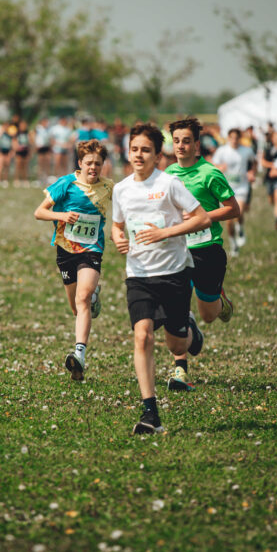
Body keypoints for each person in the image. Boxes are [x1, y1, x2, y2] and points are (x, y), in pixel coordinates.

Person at [111, 123, 211, 434]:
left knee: (176, 342)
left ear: (157, 156)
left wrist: (165, 233)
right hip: (139, 274)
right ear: (128, 152)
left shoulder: (169, 184)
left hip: (174, 272)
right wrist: (117, 238)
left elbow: (202, 218)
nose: (138, 155)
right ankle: (150, 412)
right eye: (134, 149)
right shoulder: (121, 189)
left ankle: (190, 331)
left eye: (146, 150)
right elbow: (117, 225)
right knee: (142, 336)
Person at [164, 117, 238, 391]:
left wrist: (202, 216)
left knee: (208, 315)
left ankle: (220, 301)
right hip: (177, 250)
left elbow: (233, 209)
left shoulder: (210, 173)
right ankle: (180, 370)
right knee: (176, 310)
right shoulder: (168, 174)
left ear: (197, 144)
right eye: (176, 141)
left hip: (207, 250)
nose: (180, 146)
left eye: (186, 141)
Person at [34, 139, 114, 380]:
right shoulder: (66, 183)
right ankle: (93, 297)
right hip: (65, 250)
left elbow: (126, 207)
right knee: (76, 308)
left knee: (82, 298)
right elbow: (39, 212)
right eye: (89, 163)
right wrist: (61, 215)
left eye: (98, 163)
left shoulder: (108, 187)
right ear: (80, 163)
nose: (93, 168)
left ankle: (79, 354)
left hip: (92, 250)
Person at [212, 127, 255, 254]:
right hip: (226, 189)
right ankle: (233, 243)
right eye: (232, 138)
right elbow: (213, 166)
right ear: (228, 138)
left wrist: (251, 172)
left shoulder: (247, 150)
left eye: (237, 138)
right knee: (228, 221)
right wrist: (220, 167)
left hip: (242, 186)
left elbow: (254, 162)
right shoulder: (222, 151)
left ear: (240, 138)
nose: (234, 140)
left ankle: (240, 227)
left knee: (239, 212)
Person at [260, 130, 277, 229]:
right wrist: (274, 165)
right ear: (272, 139)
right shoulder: (268, 150)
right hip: (270, 178)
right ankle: (275, 208)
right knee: (271, 199)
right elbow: (263, 162)